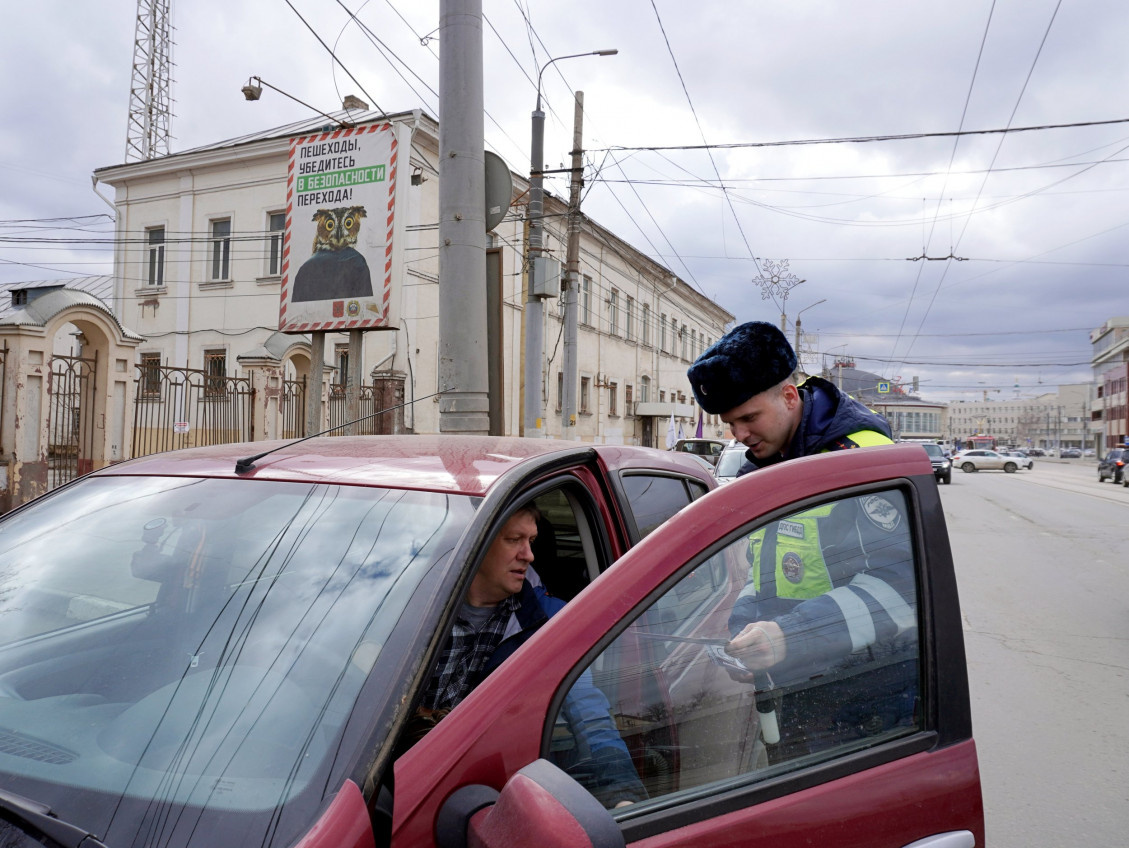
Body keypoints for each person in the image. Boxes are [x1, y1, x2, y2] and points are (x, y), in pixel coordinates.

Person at [688, 321, 916, 753]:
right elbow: (769, 568)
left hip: (868, 698)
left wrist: (791, 636)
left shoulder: (861, 459)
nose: (739, 435)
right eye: (730, 423)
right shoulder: (767, 463)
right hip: (803, 685)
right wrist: (746, 631)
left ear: (789, 397)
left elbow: (903, 588)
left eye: (749, 418)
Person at [419, 505, 646, 809]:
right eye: (514, 540)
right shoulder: (413, 609)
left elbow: (589, 713)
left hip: (487, 793)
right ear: (474, 546)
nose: (529, 555)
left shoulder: (548, 622)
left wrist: (621, 794)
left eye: (531, 541)